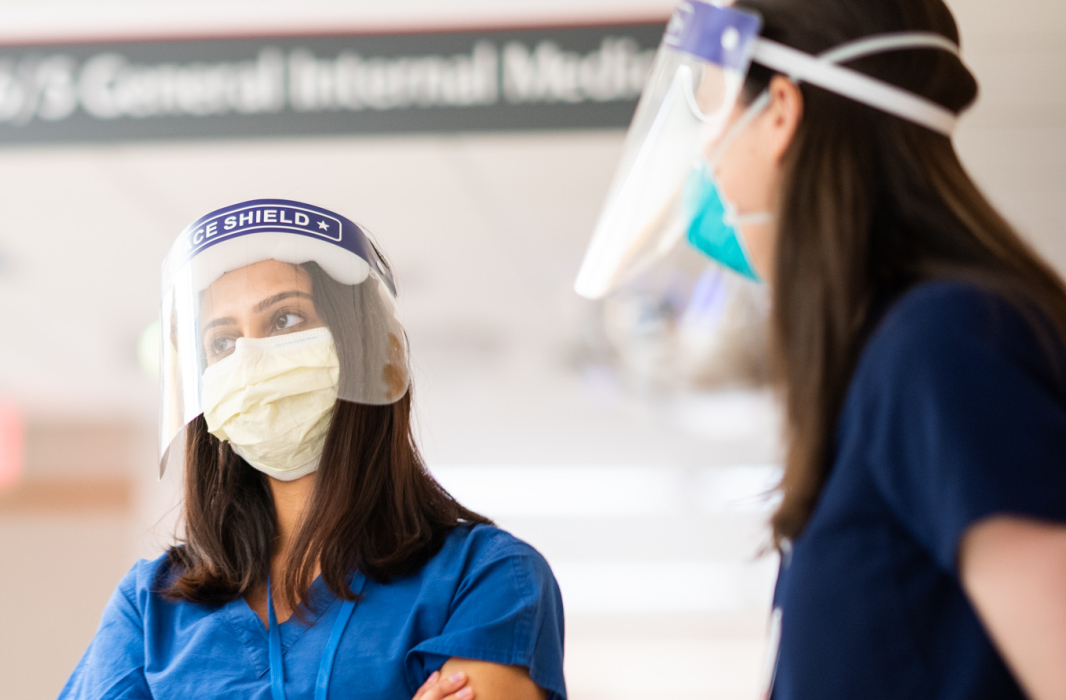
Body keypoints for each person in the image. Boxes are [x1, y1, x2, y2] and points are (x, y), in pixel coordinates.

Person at [574, 1, 1066, 698]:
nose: (704, 163)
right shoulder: (886, 362)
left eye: (712, 120)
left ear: (779, 111)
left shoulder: (943, 344)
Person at [62, 199, 565, 700]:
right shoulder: (151, 608)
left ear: (363, 349)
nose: (250, 360)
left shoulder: (486, 578)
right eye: (221, 342)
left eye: (284, 320)